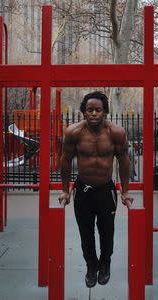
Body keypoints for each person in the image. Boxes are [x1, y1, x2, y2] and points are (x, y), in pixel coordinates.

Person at [58, 91, 134, 288]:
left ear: (105, 112)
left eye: (97, 110)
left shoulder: (116, 133)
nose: (93, 113)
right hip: (83, 190)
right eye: (89, 110)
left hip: (106, 190)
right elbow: (65, 160)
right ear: (83, 112)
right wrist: (66, 190)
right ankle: (91, 267)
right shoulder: (73, 132)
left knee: (106, 232)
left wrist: (125, 191)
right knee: (86, 233)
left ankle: (105, 263)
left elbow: (124, 161)